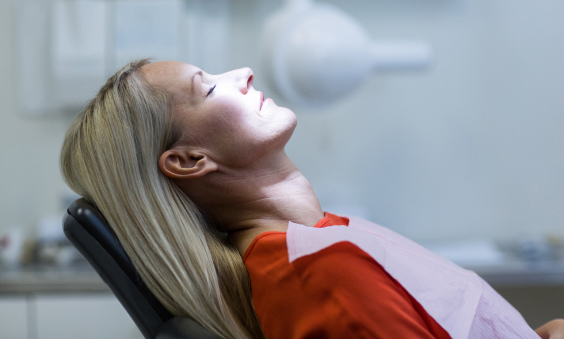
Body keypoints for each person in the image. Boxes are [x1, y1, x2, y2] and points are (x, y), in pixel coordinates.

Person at [60, 59, 563, 339]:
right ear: (190, 160)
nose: (244, 72)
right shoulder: (319, 276)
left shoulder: (319, 244)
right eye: (209, 88)